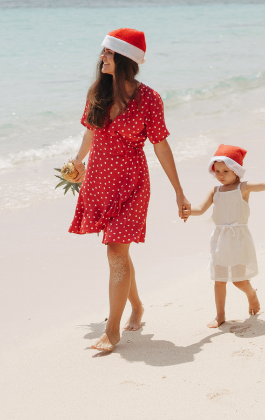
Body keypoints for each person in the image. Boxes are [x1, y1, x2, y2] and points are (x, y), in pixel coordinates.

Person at [66, 28, 191, 352]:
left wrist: (178, 191)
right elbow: (90, 134)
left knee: (115, 252)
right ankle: (135, 306)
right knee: (118, 254)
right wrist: (77, 162)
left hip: (132, 184)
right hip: (98, 180)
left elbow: (161, 146)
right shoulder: (98, 92)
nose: (102, 58)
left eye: (108, 53)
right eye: (103, 52)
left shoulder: (149, 99)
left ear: (124, 59)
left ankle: (112, 330)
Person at [185, 145, 265, 328]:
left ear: (236, 171)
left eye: (225, 171)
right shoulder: (215, 191)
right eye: (217, 171)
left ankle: (251, 294)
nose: (220, 175)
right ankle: (220, 315)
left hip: (238, 239)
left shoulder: (243, 188)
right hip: (220, 240)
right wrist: (187, 211)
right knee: (218, 280)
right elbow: (201, 209)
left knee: (238, 280)